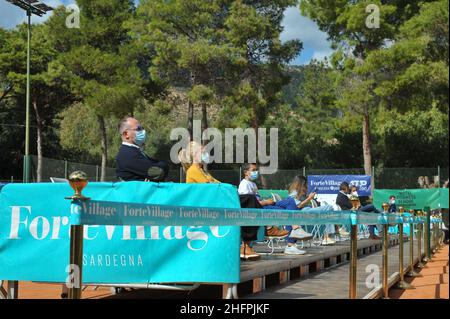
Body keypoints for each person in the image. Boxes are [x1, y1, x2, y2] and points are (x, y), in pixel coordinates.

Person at [265, 175, 334, 255]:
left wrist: (307, 198)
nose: (307, 187)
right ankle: (294, 236)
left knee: (329, 209)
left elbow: (296, 206)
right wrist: (309, 199)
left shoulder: (298, 194)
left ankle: (293, 241)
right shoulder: (293, 194)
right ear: (302, 185)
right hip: (299, 212)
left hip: (298, 212)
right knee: (329, 208)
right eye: (306, 185)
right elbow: (297, 206)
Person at [238, 163, 289, 240]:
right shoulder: (244, 185)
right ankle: (270, 229)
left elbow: (257, 199)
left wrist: (266, 201)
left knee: (289, 203)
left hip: (262, 206)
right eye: (253, 170)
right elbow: (248, 204)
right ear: (245, 172)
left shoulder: (253, 184)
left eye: (256, 170)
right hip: (256, 210)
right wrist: (266, 202)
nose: (256, 172)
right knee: (283, 211)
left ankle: (289, 229)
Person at [116, 117, 169, 182]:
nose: (143, 131)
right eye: (138, 129)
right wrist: (164, 165)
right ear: (126, 134)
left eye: (142, 128)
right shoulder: (127, 154)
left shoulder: (134, 151)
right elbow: (158, 172)